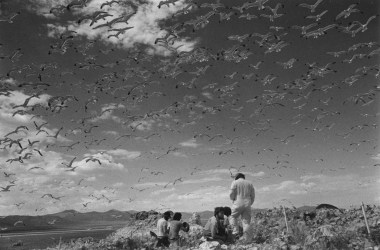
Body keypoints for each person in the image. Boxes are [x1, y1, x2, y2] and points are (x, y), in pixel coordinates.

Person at [229, 173, 255, 239]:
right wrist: (250, 203)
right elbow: (253, 195)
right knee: (246, 221)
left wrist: (233, 199)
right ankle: (247, 238)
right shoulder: (250, 183)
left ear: (237, 177)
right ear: (243, 177)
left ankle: (235, 233)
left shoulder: (235, 182)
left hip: (237, 202)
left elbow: (231, 194)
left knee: (232, 217)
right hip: (247, 203)